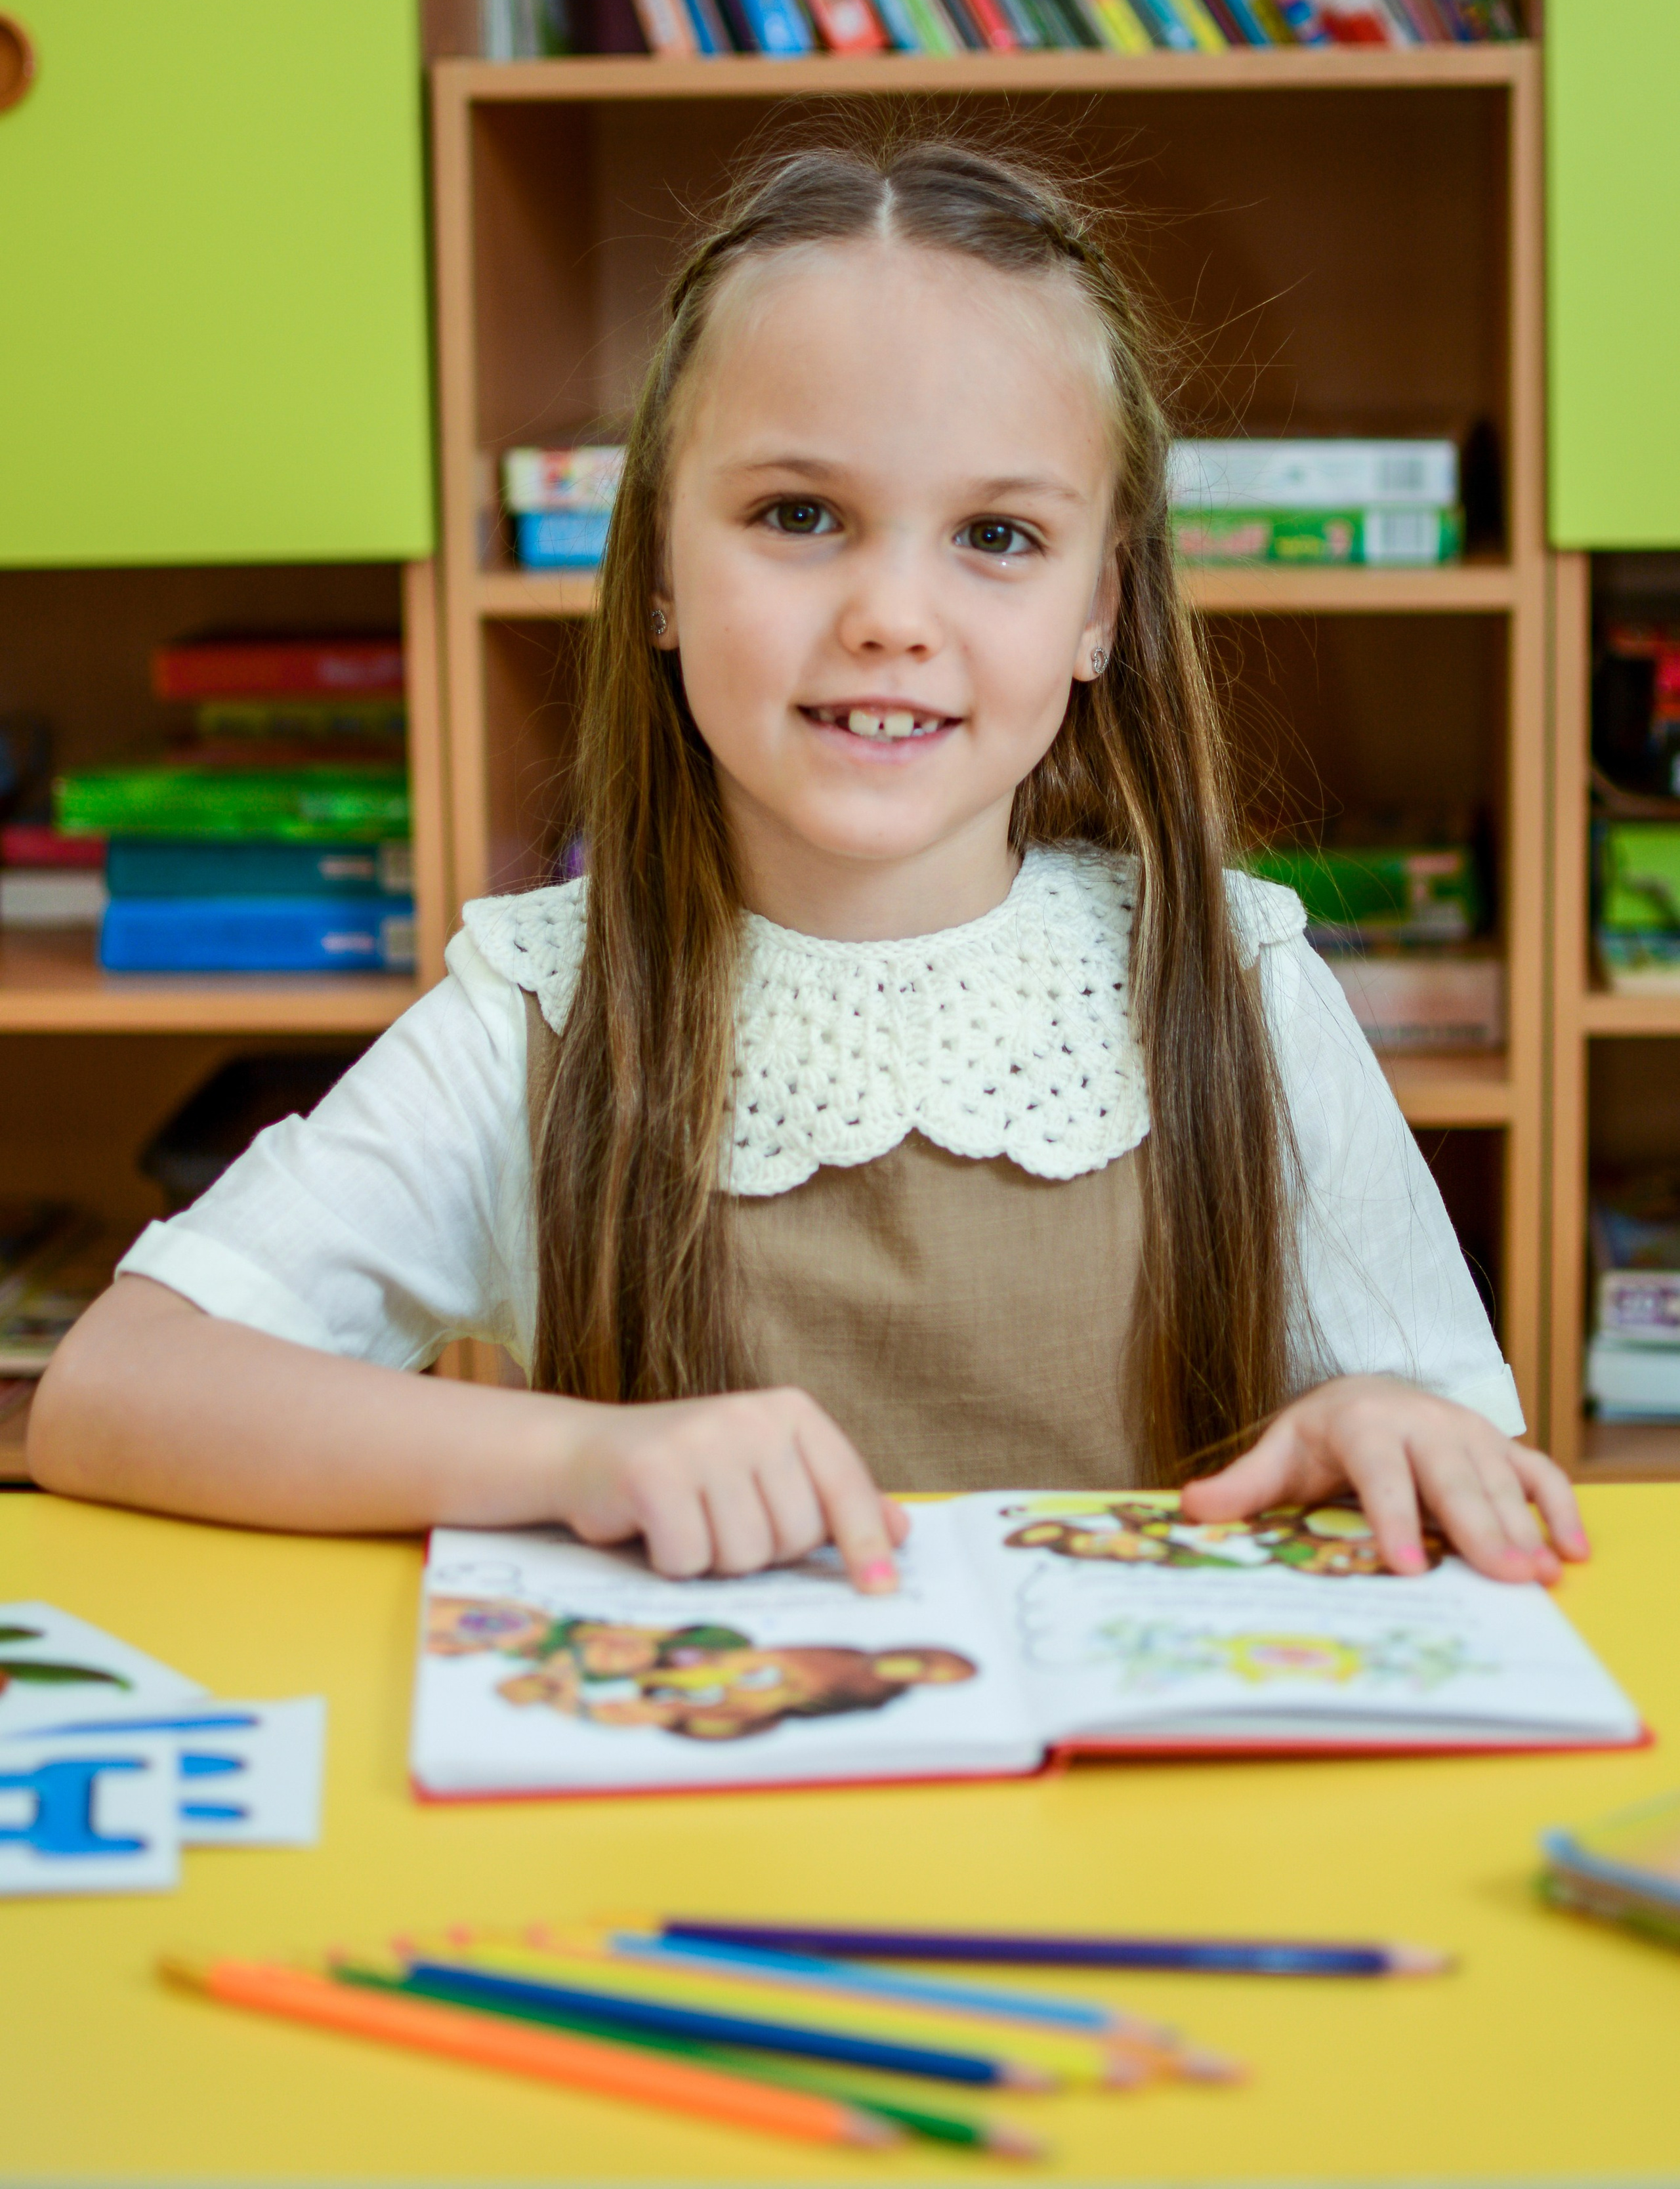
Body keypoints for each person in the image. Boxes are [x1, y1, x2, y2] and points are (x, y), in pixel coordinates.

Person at [30, 137, 1586, 1598]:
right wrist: (579, 1454)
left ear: (1100, 611)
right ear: (649, 572)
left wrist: (1382, 1427)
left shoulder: (1229, 983)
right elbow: (110, 1393)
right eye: (798, 515)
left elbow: (1464, 1461)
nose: (890, 616)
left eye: (995, 536)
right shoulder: (544, 1010)